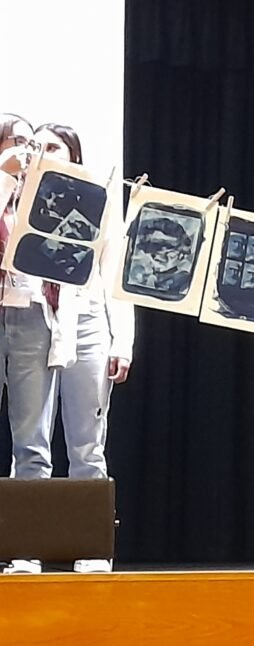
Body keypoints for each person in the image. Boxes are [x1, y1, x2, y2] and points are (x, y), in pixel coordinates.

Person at [31, 123, 135, 574]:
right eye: (37, 146)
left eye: (52, 146)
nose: (43, 152)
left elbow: (116, 276)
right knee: (31, 443)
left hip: (88, 321)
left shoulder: (99, 199)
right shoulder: (20, 199)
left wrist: (122, 342)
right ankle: (26, 546)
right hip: (33, 319)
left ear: (73, 155)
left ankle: (91, 547)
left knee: (88, 445)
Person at [0, 113, 77, 574]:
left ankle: (25, 547)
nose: (26, 150)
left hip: (32, 313)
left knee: (31, 438)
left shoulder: (50, 194)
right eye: (16, 141)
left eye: (32, 143)